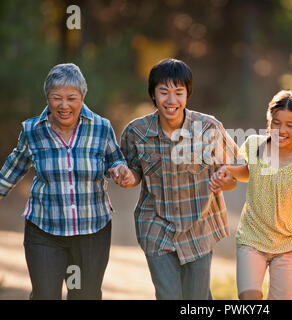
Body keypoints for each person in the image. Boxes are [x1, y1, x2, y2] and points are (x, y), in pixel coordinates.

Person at [0, 63, 129, 299]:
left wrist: (120, 170)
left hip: (92, 229)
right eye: (56, 97)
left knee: (85, 295)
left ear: (82, 97)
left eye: (72, 98)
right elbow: (14, 166)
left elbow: (115, 160)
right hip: (45, 228)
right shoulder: (32, 130)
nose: (64, 105)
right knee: (45, 294)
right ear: (47, 98)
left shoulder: (101, 128)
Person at [117, 58, 239, 300]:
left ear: (187, 94)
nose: (171, 100)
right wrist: (126, 177)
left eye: (178, 92)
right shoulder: (136, 132)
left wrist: (225, 180)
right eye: (163, 92)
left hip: (199, 227)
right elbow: (134, 175)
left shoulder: (209, 128)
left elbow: (233, 176)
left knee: (197, 297)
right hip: (155, 226)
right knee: (169, 295)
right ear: (153, 94)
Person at [209, 90, 292, 300]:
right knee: (249, 299)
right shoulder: (254, 145)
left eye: (290, 125)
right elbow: (248, 172)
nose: (281, 130)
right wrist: (229, 170)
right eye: (276, 123)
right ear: (269, 120)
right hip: (252, 238)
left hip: (287, 246)